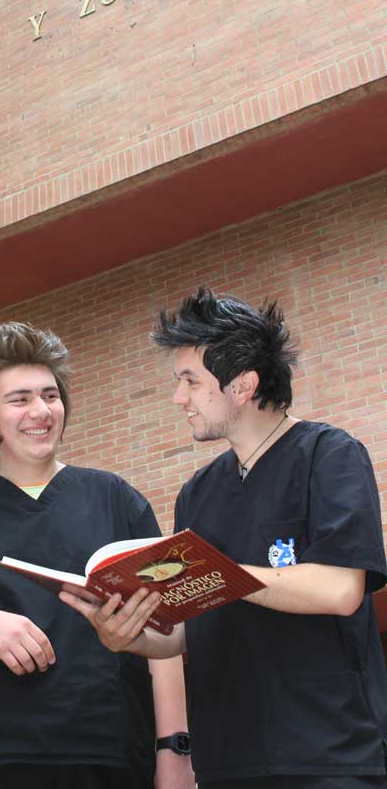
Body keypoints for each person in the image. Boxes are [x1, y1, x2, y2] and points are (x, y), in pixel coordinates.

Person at [61, 288, 387, 789]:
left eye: (190, 381)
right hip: (224, 764)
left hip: (327, 756)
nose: (178, 397)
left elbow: (340, 591)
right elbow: (185, 627)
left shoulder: (331, 455)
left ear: (242, 385)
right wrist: (128, 636)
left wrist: (220, 573)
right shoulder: (197, 493)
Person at [0, 321, 194, 789]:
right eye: (20, 399)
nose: (41, 410)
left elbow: (167, 631)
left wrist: (174, 752)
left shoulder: (117, 500)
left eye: (50, 396)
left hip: (109, 757)